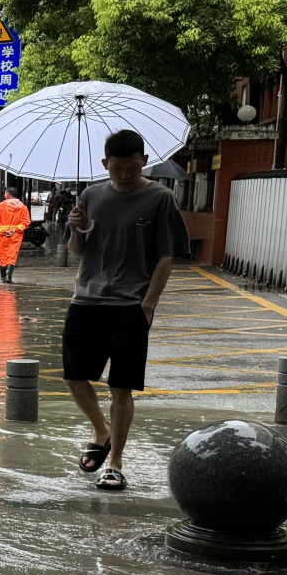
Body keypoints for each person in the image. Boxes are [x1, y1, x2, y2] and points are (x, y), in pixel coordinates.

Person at [64, 129, 183, 491]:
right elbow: (77, 253)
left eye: (132, 166)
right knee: (74, 377)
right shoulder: (91, 195)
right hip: (86, 299)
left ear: (144, 162)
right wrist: (77, 230)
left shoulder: (161, 198)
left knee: (121, 386)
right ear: (106, 165)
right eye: (117, 167)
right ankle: (101, 430)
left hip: (131, 304)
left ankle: (114, 463)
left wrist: (148, 305)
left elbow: (167, 256)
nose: (125, 174)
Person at [0, 185, 31, 282]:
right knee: (12, 255)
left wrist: (3, 231)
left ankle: (3, 277)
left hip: (1, 236)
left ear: (7, 194)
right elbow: (26, 222)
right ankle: (9, 276)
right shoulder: (23, 208)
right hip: (16, 235)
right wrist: (15, 230)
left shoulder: (0, 206)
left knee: (2, 255)